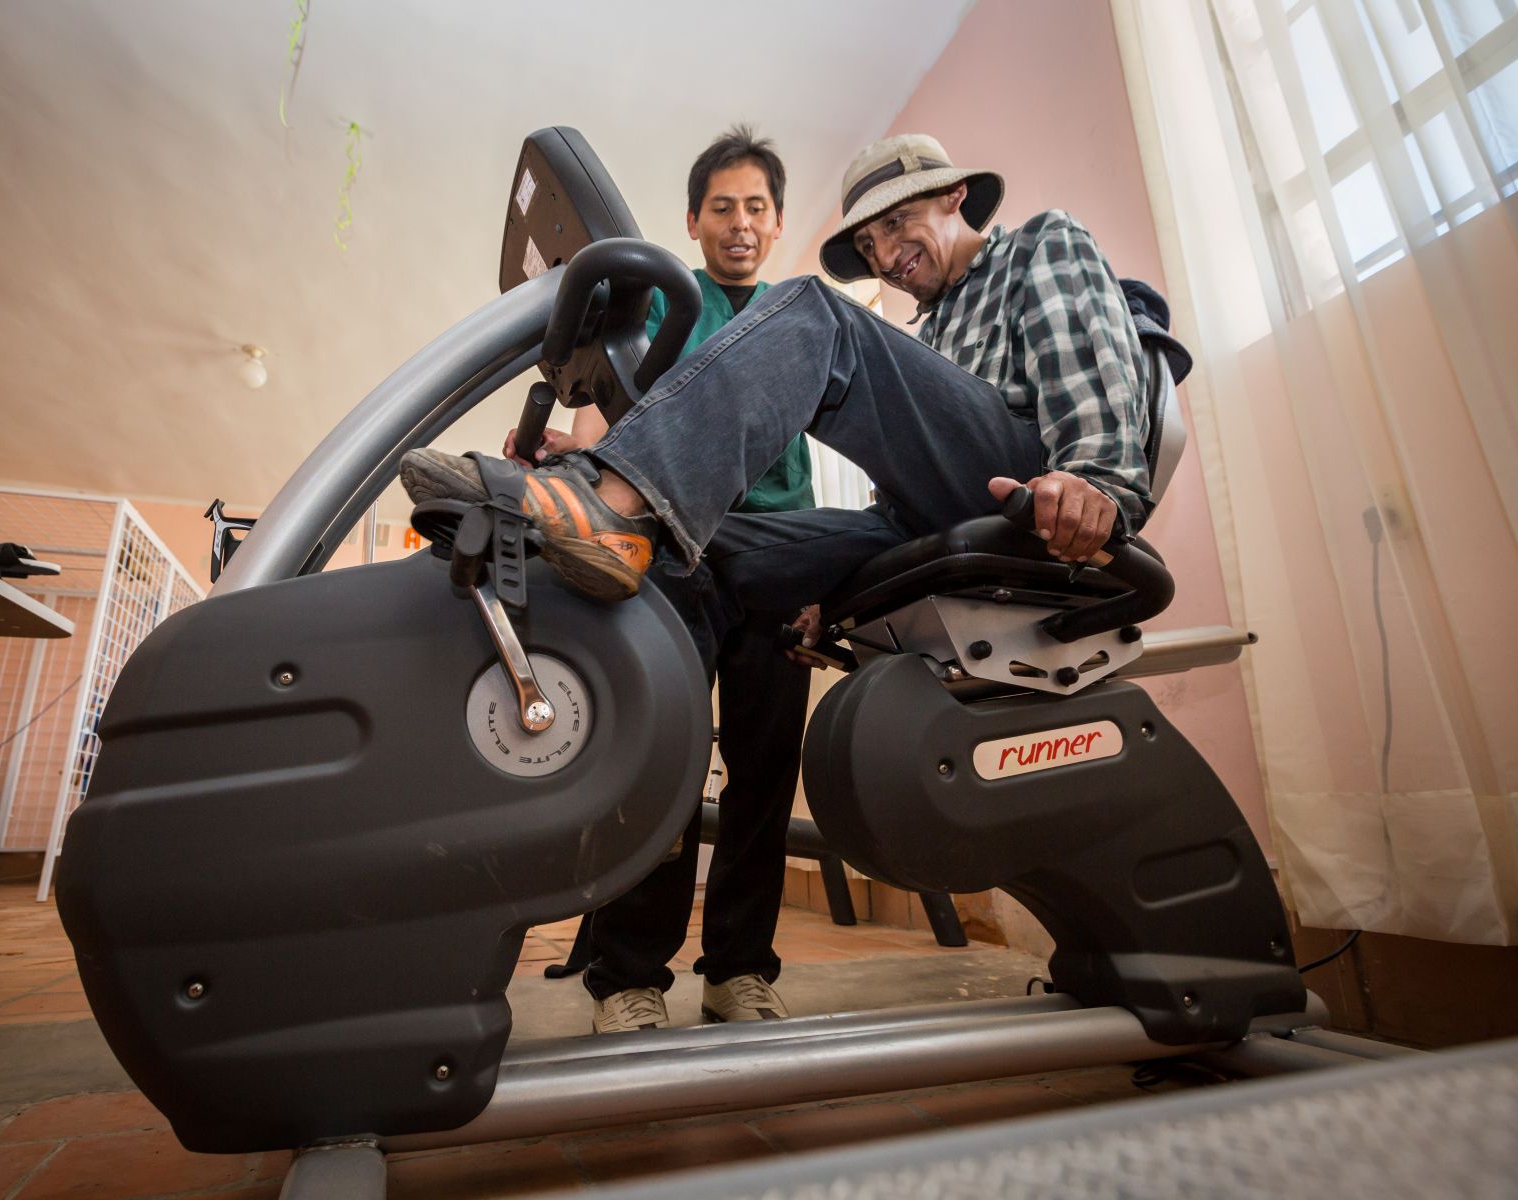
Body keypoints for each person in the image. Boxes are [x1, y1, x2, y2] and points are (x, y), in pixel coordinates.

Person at [401, 131, 1151, 631]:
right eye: (869, 241)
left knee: (818, 314)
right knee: (683, 554)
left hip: (1023, 492)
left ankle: (608, 502)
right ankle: (644, 784)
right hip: (920, 514)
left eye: (896, 226)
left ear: (955, 196)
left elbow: (1097, 382)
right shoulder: (939, 326)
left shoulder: (1039, 245)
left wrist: (1100, 485)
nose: (886, 257)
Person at [506, 126, 813, 1034]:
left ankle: (740, 973)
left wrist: (830, 566)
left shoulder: (797, 315)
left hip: (784, 560)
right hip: (686, 556)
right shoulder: (677, 308)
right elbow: (649, 419)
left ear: (778, 222)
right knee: (669, 766)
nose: (742, 223)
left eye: (757, 208)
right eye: (724, 207)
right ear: (694, 219)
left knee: (763, 775)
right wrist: (571, 448)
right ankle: (631, 977)